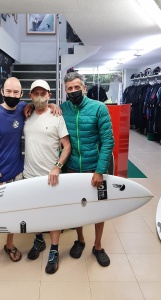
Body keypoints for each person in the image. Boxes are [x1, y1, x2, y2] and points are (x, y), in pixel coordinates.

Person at [0, 77, 61, 269]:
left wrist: (52, 104)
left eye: (15, 92)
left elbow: (39, 101)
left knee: (12, 212)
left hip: (15, 174)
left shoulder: (22, 109)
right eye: (8, 91)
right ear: (2, 91)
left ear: (20, 95)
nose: (12, 95)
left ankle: (9, 244)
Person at [60, 72, 114, 267]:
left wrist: (100, 170)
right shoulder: (62, 109)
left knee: (100, 207)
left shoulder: (99, 108)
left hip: (95, 168)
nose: (73, 91)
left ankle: (98, 246)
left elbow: (108, 141)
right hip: (73, 169)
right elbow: (42, 113)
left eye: (77, 87)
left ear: (84, 88)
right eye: (69, 89)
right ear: (65, 91)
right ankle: (80, 239)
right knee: (78, 206)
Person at [23, 79, 71, 274]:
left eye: (44, 93)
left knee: (53, 214)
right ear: (30, 96)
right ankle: (39, 240)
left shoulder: (56, 116)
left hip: (51, 177)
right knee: (34, 212)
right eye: (36, 93)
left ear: (50, 95)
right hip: (29, 175)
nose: (40, 96)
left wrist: (58, 167)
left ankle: (54, 250)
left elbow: (66, 145)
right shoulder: (26, 113)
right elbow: (7, 107)